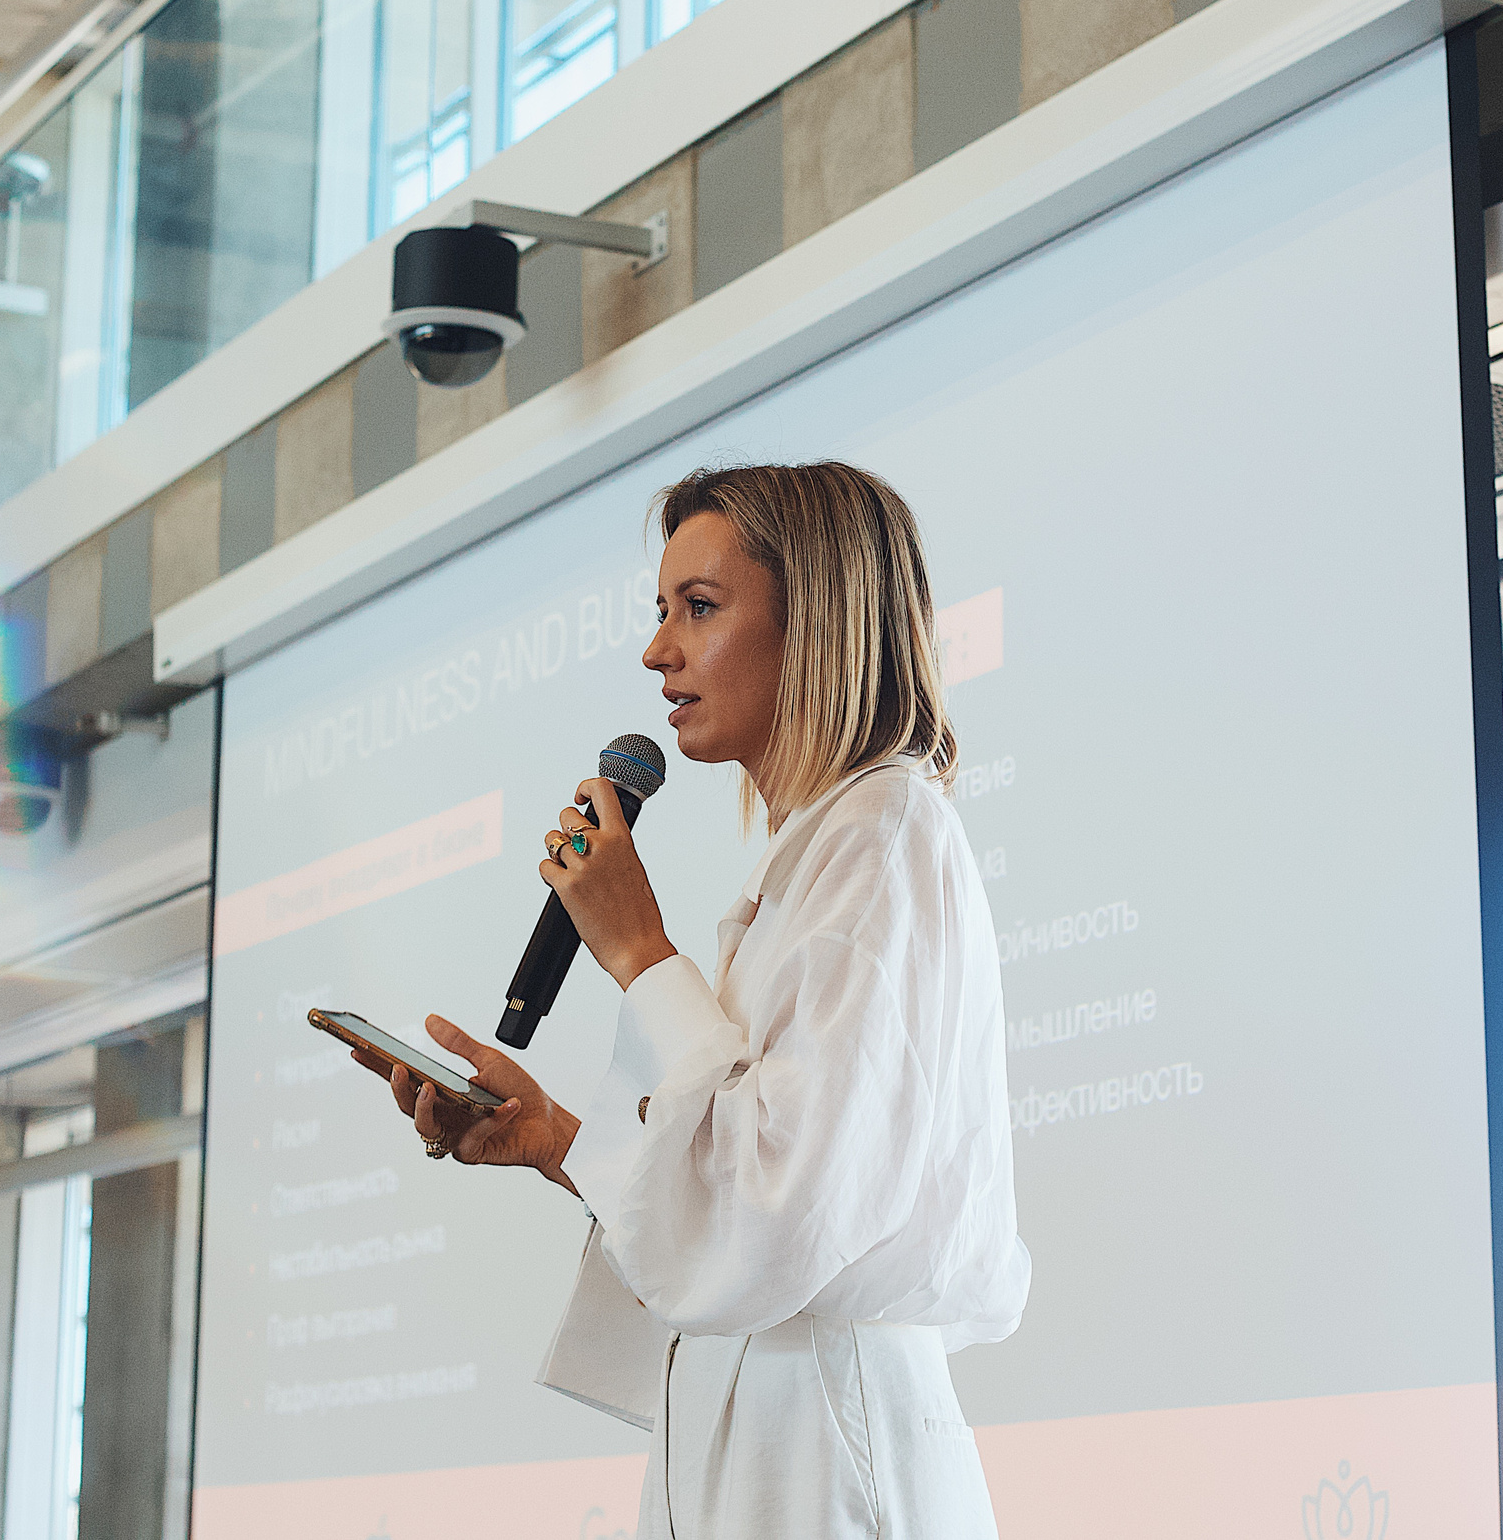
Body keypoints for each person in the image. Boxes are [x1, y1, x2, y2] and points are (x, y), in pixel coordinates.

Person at [349, 461, 1029, 1538]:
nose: (656, 649)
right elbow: (751, 1170)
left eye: (698, 608)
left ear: (819, 621)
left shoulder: (884, 833)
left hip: (827, 1435)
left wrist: (637, 946)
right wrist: (557, 1138)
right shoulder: (816, 853)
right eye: (660, 611)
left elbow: (781, 1201)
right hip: (758, 1419)